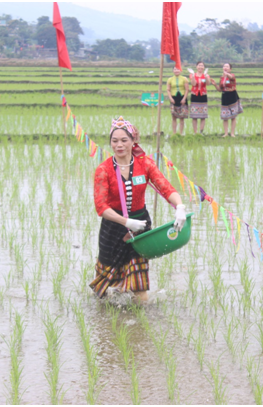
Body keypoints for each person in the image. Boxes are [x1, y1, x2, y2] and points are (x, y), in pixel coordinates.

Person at [90, 116, 187, 304]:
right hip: (113, 229)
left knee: (140, 288)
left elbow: (166, 188)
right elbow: (101, 207)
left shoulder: (145, 164)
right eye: (114, 141)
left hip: (140, 230)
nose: (119, 145)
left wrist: (180, 207)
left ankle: (138, 326)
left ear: (133, 141)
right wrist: (125, 222)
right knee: (106, 287)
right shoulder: (104, 170)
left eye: (124, 140)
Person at [210, 63, 243, 138]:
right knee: (225, 117)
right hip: (224, 96)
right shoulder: (221, 78)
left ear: (230, 69)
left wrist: (226, 74)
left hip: (232, 96)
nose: (225, 67)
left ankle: (232, 133)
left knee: (233, 116)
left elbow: (231, 77)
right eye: (224, 66)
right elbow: (220, 90)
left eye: (227, 67)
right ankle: (225, 133)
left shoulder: (232, 75)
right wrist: (215, 85)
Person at [188, 61, 211, 134]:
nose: (200, 67)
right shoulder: (192, 75)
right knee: (194, 116)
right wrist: (193, 75)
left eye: (202, 66)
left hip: (203, 96)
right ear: (196, 66)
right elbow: (193, 84)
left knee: (203, 115)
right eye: (199, 65)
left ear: (204, 67)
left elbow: (208, 83)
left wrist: (206, 75)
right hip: (195, 96)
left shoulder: (206, 75)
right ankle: (195, 132)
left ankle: (201, 131)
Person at [166, 66, 189, 135]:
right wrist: (170, 98)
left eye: (178, 69)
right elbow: (168, 90)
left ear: (180, 70)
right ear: (173, 70)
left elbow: (187, 89)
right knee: (174, 117)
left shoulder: (184, 79)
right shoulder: (170, 79)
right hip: (173, 99)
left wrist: (184, 98)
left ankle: (181, 133)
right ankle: (174, 133)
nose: (176, 71)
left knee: (182, 118)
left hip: (182, 98)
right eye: (175, 69)